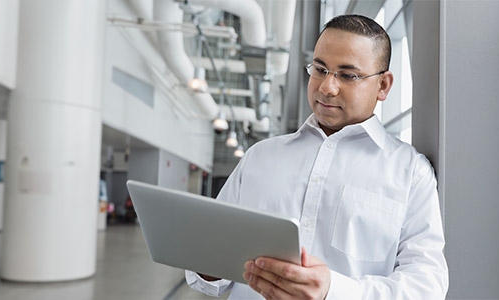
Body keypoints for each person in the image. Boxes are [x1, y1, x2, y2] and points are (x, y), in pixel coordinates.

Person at [184, 14, 449, 299]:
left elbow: (426, 286)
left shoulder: (410, 173)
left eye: (348, 75)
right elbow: (209, 271)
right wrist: (209, 264)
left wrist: (332, 291)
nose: (326, 87)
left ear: (383, 86)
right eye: (320, 69)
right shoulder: (260, 157)